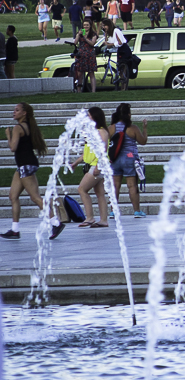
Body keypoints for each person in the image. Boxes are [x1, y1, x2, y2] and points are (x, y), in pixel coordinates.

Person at [2, 103, 64, 240]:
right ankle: (15, 230)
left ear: (24, 113)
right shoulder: (29, 126)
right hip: (26, 165)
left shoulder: (18, 128)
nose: (14, 112)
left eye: (17, 110)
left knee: (35, 197)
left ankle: (56, 223)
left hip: (25, 165)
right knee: (13, 196)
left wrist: (8, 135)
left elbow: (13, 147)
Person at [71, 106, 110, 227]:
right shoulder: (92, 132)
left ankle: (89, 217)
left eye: (89, 115)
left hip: (97, 165)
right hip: (95, 165)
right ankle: (103, 220)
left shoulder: (101, 131)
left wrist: (98, 166)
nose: (87, 118)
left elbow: (103, 149)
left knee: (82, 189)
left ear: (95, 117)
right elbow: (87, 151)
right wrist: (76, 162)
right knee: (100, 193)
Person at [109, 104, 148, 217]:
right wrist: (145, 128)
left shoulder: (112, 128)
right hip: (130, 159)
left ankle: (113, 211)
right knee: (132, 185)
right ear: (129, 114)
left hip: (115, 159)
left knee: (115, 186)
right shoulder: (133, 128)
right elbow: (143, 141)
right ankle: (137, 211)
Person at [100, 18, 133, 89]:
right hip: (119, 50)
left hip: (124, 50)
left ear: (108, 25)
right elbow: (108, 45)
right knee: (120, 69)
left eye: (104, 25)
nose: (103, 27)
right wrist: (105, 35)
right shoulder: (110, 34)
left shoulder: (116, 31)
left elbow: (120, 43)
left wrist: (110, 44)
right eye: (103, 26)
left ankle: (124, 87)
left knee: (123, 68)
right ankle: (121, 86)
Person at [71, 19, 98, 92]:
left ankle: (93, 90)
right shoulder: (80, 33)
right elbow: (75, 43)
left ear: (90, 26)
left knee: (91, 73)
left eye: (87, 25)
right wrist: (78, 35)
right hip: (81, 54)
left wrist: (85, 37)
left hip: (90, 54)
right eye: (84, 25)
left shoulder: (93, 34)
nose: (85, 26)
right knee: (80, 73)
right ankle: (79, 90)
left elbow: (92, 43)